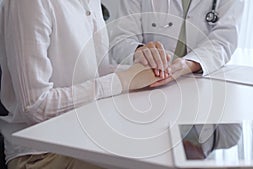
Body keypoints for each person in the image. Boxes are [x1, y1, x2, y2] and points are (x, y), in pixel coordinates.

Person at [0, 0, 162, 168]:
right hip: (42, 154)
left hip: (87, 134)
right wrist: (123, 80)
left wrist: (138, 70)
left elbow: (95, 72)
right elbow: (36, 106)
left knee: (158, 147)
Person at [109, 0, 244, 87]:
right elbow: (120, 38)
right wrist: (140, 52)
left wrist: (188, 64)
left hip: (202, 83)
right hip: (148, 85)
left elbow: (223, 40)